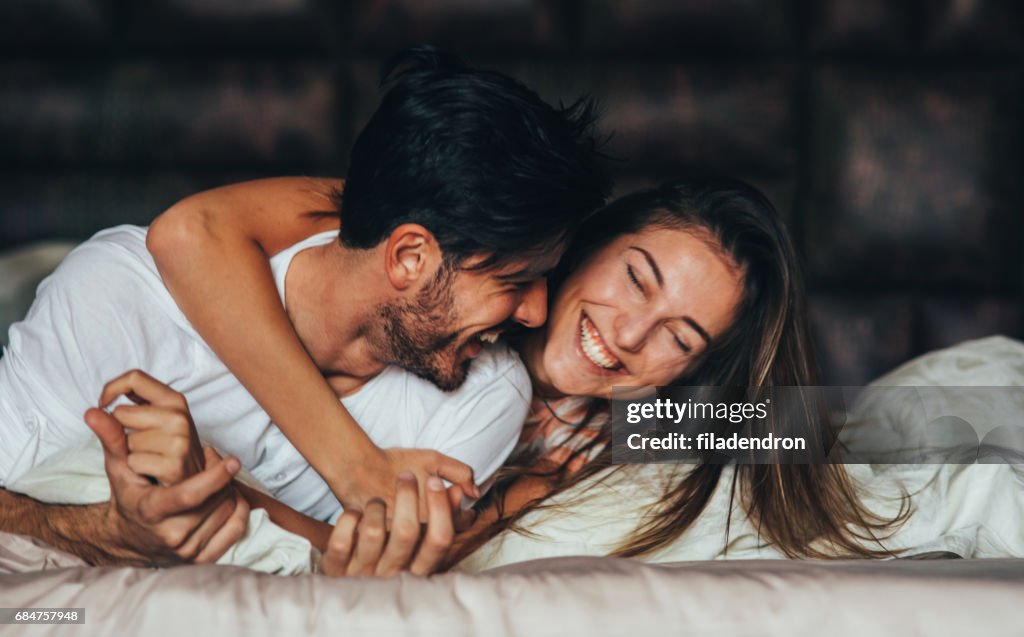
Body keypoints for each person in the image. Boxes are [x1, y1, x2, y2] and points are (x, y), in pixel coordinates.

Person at [0, 46, 610, 566]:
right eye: (517, 279)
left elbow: (375, 570)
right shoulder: (122, 297)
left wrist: (523, 493)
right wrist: (106, 531)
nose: (535, 312)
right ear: (409, 258)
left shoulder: (490, 393)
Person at [147, 177, 916, 569]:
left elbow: (796, 420)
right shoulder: (436, 232)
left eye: (678, 337)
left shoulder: (620, 429)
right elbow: (190, 232)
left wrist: (534, 484)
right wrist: (360, 470)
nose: (626, 333)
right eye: (636, 278)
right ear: (586, 241)